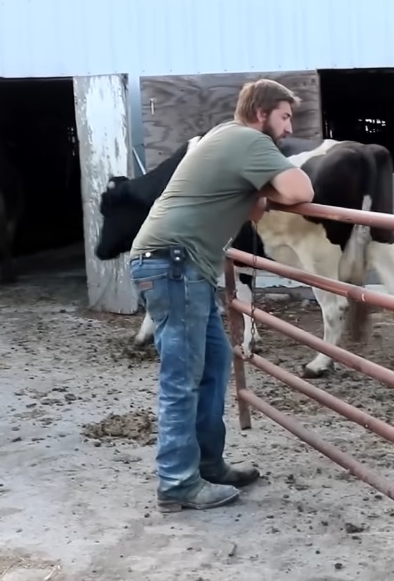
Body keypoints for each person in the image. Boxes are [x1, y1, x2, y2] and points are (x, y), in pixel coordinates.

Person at [129, 79, 316, 512]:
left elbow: (252, 209)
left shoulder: (222, 137)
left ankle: (208, 465)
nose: (288, 129)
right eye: (284, 117)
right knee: (182, 378)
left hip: (179, 265)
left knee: (213, 366)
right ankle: (177, 485)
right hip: (175, 265)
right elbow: (300, 191)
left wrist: (256, 188)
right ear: (260, 113)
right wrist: (267, 185)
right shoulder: (248, 139)